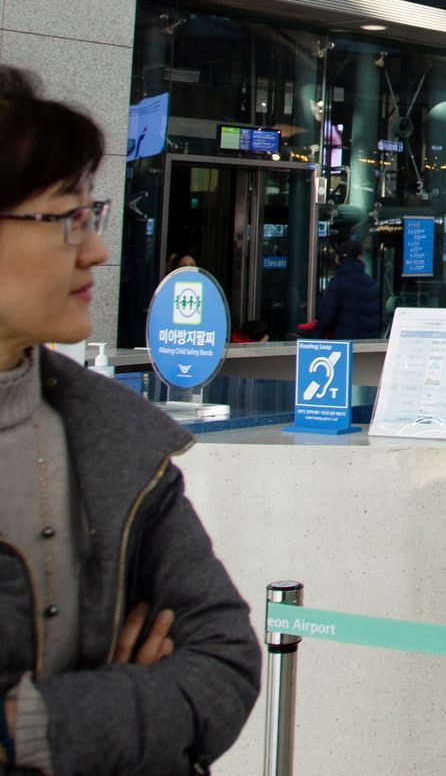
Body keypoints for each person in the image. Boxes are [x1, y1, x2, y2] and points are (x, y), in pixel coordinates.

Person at [0, 66, 261, 772]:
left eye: (93, 214)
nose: (97, 249)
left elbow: (225, 662)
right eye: (65, 218)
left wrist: (37, 724)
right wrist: (135, 703)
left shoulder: (116, 438)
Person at [298, 239, 381, 340]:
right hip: (369, 346)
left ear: (338, 258)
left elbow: (327, 317)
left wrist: (315, 338)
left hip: (344, 345)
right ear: (360, 257)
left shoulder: (337, 282)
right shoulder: (372, 283)